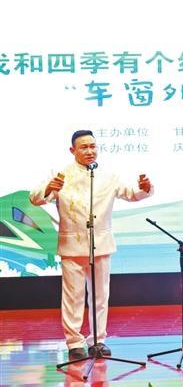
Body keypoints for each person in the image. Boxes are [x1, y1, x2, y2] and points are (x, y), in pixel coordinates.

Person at [29, 130, 153, 361]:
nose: (89, 151)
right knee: (73, 297)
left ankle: (98, 340)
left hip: (101, 244)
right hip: (72, 243)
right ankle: (74, 343)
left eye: (93, 146)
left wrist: (144, 188)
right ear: (72, 150)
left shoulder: (108, 175)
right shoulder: (60, 174)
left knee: (100, 296)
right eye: (84, 147)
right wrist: (49, 188)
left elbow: (132, 194)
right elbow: (35, 198)